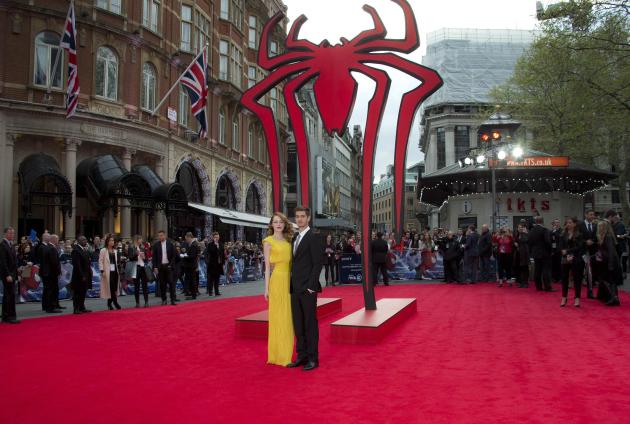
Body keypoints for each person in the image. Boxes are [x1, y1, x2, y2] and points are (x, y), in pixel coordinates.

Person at [287, 206, 323, 371]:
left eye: (302, 216)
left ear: (308, 218)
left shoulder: (314, 237)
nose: (300, 219)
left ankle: (313, 359)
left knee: (309, 324)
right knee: (298, 324)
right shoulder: (295, 237)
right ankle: (301, 356)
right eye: (297, 216)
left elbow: (317, 264)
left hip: (307, 289)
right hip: (294, 288)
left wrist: (311, 286)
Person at [263, 212, 295, 366]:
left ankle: (286, 354)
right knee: (277, 317)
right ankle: (276, 355)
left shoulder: (289, 241)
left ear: (284, 224)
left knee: (287, 317)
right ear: (272, 225)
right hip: (276, 281)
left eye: (281, 222)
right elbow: (267, 267)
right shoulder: (268, 241)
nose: (278, 224)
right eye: (275, 222)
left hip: (288, 281)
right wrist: (266, 289)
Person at [559, 217, 585, 307]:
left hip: (576, 258)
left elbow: (579, 247)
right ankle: (564, 297)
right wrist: (565, 254)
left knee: (577, 279)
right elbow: (561, 247)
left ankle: (577, 298)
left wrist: (569, 252)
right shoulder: (562, 234)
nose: (568, 224)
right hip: (565, 259)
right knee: (564, 279)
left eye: (570, 222)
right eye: (567, 223)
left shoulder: (579, 235)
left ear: (574, 224)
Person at [595, 220, 622, 306]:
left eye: (601, 226)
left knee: (611, 280)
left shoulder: (608, 236)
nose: (599, 228)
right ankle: (610, 297)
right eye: (599, 226)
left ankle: (613, 297)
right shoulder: (603, 236)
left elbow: (611, 252)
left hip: (610, 262)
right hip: (606, 261)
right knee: (607, 279)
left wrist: (610, 264)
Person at [528, 216, 554, 292]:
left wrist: (532, 251)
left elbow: (530, 242)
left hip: (535, 253)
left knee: (537, 270)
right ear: (542, 221)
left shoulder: (532, 231)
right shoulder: (545, 230)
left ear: (536, 222)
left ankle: (538, 287)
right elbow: (548, 242)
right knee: (546, 270)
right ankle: (547, 287)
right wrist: (551, 250)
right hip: (545, 253)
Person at [152, 230, 177, 306]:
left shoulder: (170, 244)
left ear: (165, 236)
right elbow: (154, 257)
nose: (160, 237)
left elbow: (174, 256)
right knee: (162, 284)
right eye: (159, 236)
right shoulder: (156, 245)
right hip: (160, 267)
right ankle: (164, 300)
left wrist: (171, 265)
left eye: (162, 235)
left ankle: (172, 300)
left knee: (171, 284)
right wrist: (155, 267)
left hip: (168, 266)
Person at [0, 227, 20, 324]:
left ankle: (11, 315)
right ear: (5, 234)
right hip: (7, 275)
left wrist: (17, 273)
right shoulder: (3, 245)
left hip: (13, 274)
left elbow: (14, 262)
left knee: (11, 295)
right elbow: (3, 262)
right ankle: (7, 316)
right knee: (8, 295)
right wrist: (7, 274)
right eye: (10, 233)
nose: (12, 235)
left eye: (13, 233)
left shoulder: (11, 245)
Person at [40, 234, 63, 313]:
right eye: (57, 239)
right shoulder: (51, 248)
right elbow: (54, 262)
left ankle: (51, 305)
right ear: (53, 240)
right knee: (51, 290)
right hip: (51, 273)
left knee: (50, 290)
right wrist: (58, 272)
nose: (58, 241)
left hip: (48, 273)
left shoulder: (49, 247)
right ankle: (50, 307)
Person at [70, 236, 93, 314]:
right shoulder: (76, 250)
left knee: (83, 292)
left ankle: (82, 307)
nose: (85, 241)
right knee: (77, 293)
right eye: (83, 239)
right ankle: (76, 308)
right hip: (78, 276)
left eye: (85, 239)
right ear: (78, 241)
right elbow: (77, 265)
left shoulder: (84, 250)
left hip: (86, 274)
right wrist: (82, 275)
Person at [578, 210, 597, 298]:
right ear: (586, 215)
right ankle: (577, 293)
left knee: (590, 272)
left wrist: (592, 241)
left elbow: (596, 237)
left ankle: (590, 291)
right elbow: (577, 237)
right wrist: (586, 242)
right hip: (582, 252)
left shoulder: (594, 225)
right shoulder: (580, 225)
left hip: (592, 252)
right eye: (591, 214)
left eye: (593, 214)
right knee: (580, 271)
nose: (592, 216)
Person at [99, 234, 122, 310]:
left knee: (114, 288)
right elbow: (100, 261)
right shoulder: (103, 250)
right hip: (107, 271)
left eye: (113, 240)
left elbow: (117, 262)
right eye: (110, 240)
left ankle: (109, 303)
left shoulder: (115, 251)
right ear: (107, 242)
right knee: (111, 288)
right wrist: (102, 270)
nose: (112, 242)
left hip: (115, 271)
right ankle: (115, 303)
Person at [128, 235, 149, 308]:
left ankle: (146, 302)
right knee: (136, 286)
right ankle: (137, 303)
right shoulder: (131, 247)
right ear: (136, 240)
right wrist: (136, 254)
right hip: (135, 267)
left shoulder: (143, 248)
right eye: (140, 239)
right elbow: (130, 258)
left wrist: (144, 257)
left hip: (143, 267)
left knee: (144, 285)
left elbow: (146, 258)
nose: (141, 241)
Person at [204, 232, 224, 296]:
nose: (216, 238)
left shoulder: (221, 244)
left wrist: (222, 262)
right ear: (213, 238)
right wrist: (216, 246)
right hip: (212, 265)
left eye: (217, 237)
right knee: (211, 279)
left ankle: (217, 291)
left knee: (217, 279)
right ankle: (210, 291)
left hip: (218, 264)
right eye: (215, 237)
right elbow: (212, 252)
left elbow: (222, 253)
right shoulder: (210, 245)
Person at [181, 232, 200, 299]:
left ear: (189, 237)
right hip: (190, 265)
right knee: (191, 280)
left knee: (192, 280)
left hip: (191, 265)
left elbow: (192, 256)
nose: (186, 240)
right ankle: (192, 293)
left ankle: (193, 294)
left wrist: (184, 256)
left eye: (186, 239)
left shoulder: (194, 245)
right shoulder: (191, 244)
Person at [514, 223, 530, 288]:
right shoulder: (516, 235)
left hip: (524, 255)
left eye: (521, 227)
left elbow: (525, 240)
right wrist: (515, 243)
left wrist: (518, 244)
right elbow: (515, 242)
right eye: (519, 227)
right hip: (518, 254)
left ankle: (525, 282)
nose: (520, 228)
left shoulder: (526, 234)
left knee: (525, 269)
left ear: (523, 228)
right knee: (519, 269)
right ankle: (520, 282)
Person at [550, 219, 563, 284]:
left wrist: (555, 232)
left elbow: (560, 237)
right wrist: (553, 231)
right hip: (553, 250)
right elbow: (550, 238)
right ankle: (554, 278)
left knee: (559, 264)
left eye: (558, 222)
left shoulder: (561, 230)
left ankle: (560, 278)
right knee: (553, 264)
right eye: (555, 222)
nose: (556, 224)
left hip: (559, 250)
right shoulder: (552, 231)